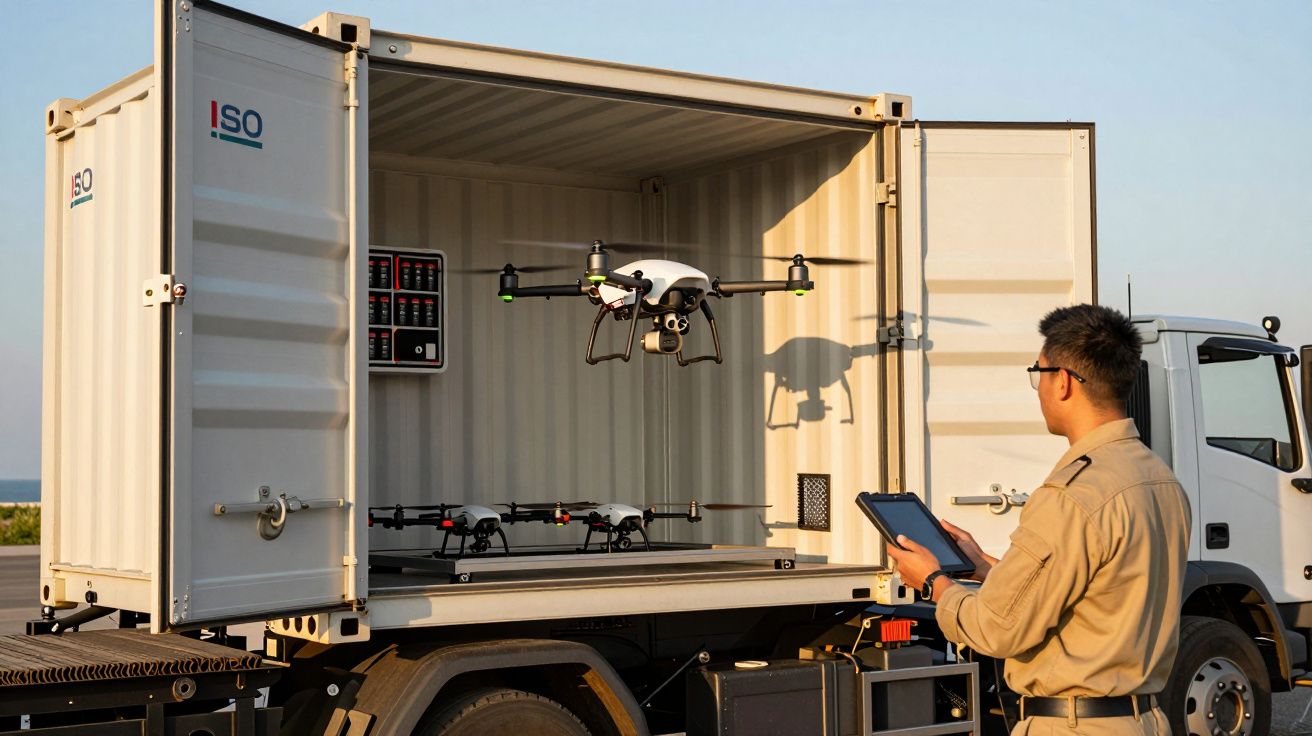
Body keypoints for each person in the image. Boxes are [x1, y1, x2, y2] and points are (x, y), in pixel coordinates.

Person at [886, 304, 1191, 735]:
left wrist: (933, 581)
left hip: (1075, 724)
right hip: (1144, 720)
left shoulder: (1074, 493)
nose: (1038, 389)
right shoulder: (1160, 479)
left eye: (1038, 373)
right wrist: (984, 566)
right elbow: (1097, 596)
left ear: (1062, 381)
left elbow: (996, 630)